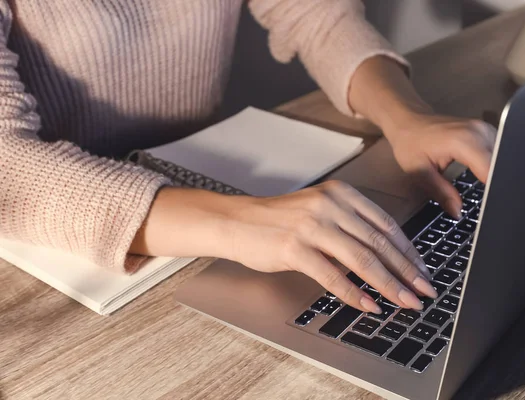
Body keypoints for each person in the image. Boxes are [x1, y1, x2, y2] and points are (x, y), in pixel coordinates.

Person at [0, 0, 495, 314]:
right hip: (53, 257)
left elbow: (314, 13)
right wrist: (247, 222)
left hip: (198, 197)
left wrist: (407, 116)